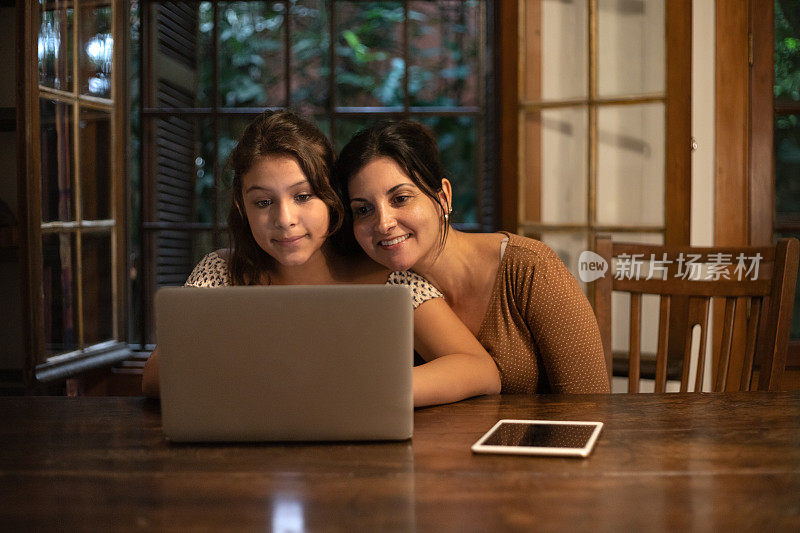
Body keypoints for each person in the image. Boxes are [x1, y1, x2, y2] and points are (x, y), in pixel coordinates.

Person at [141, 110, 500, 406]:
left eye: (302, 196)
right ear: (242, 209)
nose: (284, 219)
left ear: (331, 197)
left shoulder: (388, 279)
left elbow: (479, 369)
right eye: (263, 202)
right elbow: (155, 376)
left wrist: (367, 389)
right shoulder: (221, 272)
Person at [333, 119, 610, 394]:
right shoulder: (385, 287)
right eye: (364, 210)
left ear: (443, 198)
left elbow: (591, 405)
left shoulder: (531, 269)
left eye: (401, 198)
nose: (383, 223)